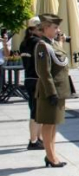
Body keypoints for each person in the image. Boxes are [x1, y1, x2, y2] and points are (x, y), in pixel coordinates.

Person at [35, 14, 70, 167]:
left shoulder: (54, 44)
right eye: (55, 27)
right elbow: (44, 72)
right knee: (48, 124)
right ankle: (50, 156)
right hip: (50, 91)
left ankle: (52, 154)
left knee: (54, 123)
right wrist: (51, 92)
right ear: (45, 28)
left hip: (59, 89)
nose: (58, 30)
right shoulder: (42, 46)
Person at [20, 18, 44, 150]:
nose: (42, 31)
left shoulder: (24, 43)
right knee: (36, 112)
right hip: (37, 79)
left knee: (35, 110)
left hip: (29, 78)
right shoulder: (38, 43)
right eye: (39, 29)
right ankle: (34, 140)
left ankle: (37, 139)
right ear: (32, 29)